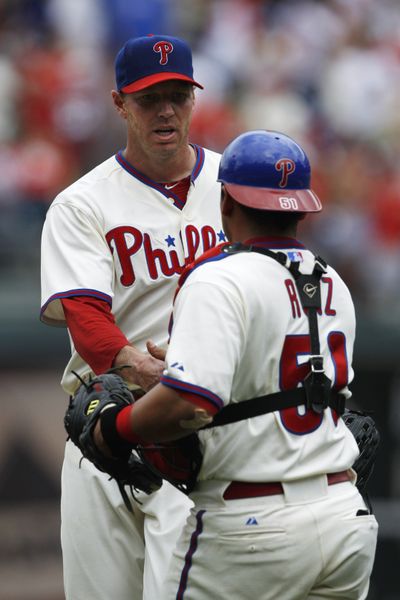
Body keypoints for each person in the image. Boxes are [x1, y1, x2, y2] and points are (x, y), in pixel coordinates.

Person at [92, 130, 379, 599]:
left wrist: (115, 429)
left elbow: (190, 401)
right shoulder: (333, 282)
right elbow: (275, 380)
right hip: (345, 519)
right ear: (302, 207)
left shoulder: (218, 278)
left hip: (251, 527)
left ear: (225, 202)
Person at [40, 34, 225, 600]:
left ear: (194, 99)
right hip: (106, 430)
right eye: (148, 98)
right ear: (120, 103)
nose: (165, 109)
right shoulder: (84, 202)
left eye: (176, 94)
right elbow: (88, 322)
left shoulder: (232, 185)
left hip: (204, 439)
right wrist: (162, 376)